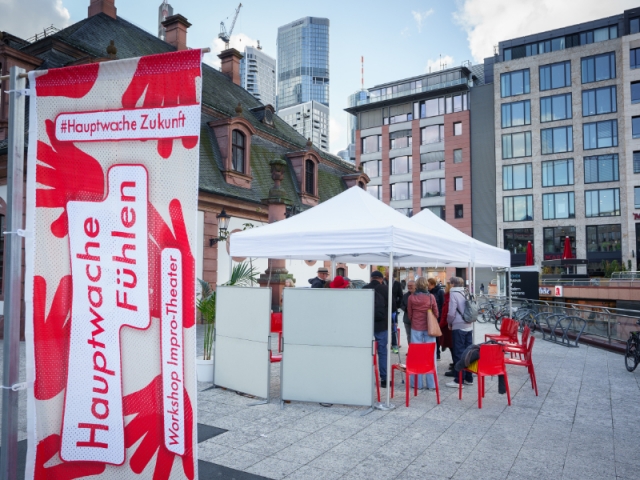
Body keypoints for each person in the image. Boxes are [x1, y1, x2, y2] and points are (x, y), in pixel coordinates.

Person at [407, 277, 439, 390]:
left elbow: (409, 314)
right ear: (426, 285)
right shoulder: (431, 297)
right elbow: (436, 313)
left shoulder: (411, 297)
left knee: (416, 355)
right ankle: (432, 384)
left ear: (417, 285)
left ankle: (417, 384)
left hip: (416, 327)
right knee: (431, 355)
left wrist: (415, 320)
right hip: (429, 328)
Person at [445, 276, 473, 388]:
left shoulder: (453, 293)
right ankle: (469, 378)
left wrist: (449, 322)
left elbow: (451, 312)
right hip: (469, 324)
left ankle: (459, 380)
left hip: (458, 325)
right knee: (468, 352)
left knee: (458, 353)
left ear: (452, 284)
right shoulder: (466, 292)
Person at [363, 271, 389, 387]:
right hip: (382, 325)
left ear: (371, 278)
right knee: (382, 351)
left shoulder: (364, 289)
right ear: (381, 279)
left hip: (367, 325)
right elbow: (393, 307)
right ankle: (384, 378)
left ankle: (365, 377)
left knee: (366, 351)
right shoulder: (385, 289)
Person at [384, 270, 404, 354]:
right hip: (383, 309)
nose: (388, 277)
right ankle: (384, 345)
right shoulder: (382, 283)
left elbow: (401, 296)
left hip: (393, 309)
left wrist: (397, 305)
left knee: (394, 327)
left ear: (392, 275)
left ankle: (394, 345)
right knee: (383, 327)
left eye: (389, 275)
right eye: (387, 275)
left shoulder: (397, 284)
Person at [427, 278, 445, 361]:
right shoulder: (427, 292)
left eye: (429, 285)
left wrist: (440, 316)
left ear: (433, 284)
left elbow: (443, 304)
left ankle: (437, 353)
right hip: (430, 316)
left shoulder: (440, 292)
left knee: (436, 335)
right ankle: (432, 352)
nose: (428, 287)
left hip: (438, 317)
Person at [439, 282, 453, 366]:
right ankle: (455, 362)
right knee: (451, 345)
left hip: (447, 325)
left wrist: (441, 324)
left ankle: (455, 363)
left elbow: (446, 314)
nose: (444, 289)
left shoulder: (448, 298)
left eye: (445, 288)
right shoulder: (448, 297)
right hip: (448, 325)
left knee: (451, 345)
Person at [400, 280, 416, 344]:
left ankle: (416, 348)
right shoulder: (405, 295)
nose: (409, 287)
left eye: (411, 286)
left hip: (417, 320)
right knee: (409, 335)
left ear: (415, 286)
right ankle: (410, 348)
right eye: (408, 286)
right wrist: (406, 309)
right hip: (407, 319)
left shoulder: (418, 295)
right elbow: (401, 304)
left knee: (416, 336)